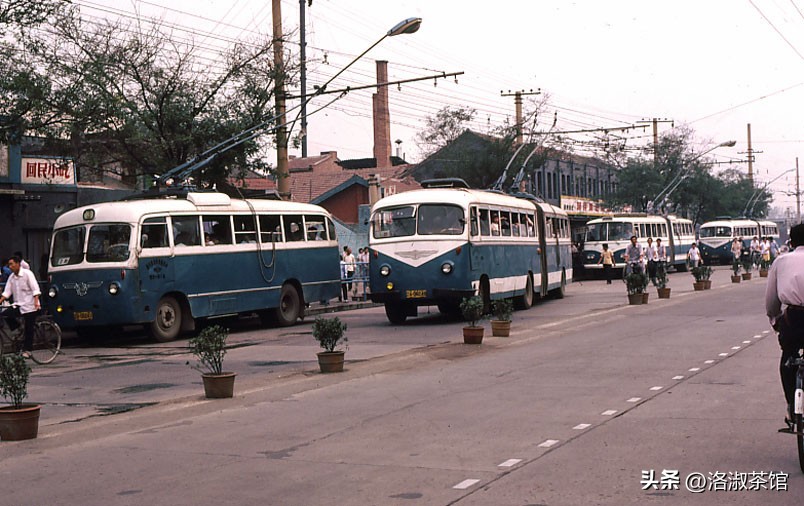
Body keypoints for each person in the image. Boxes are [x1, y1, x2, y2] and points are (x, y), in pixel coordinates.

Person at [765, 223, 804, 427]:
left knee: (788, 357)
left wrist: (774, 319)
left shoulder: (781, 261)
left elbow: (772, 300)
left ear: (791, 241)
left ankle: (791, 404)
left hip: (792, 320)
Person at [0, 256, 41, 359]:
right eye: (9, 265)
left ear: (18, 264)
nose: (10, 267)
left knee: (29, 327)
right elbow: (7, 292)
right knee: (6, 314)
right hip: (18, 304)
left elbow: (35, 288)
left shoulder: (27, 274)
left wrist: (36, 301)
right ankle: (18, 329)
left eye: (12, 264)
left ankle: (28, 350)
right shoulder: (12, 277)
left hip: (30, 305)